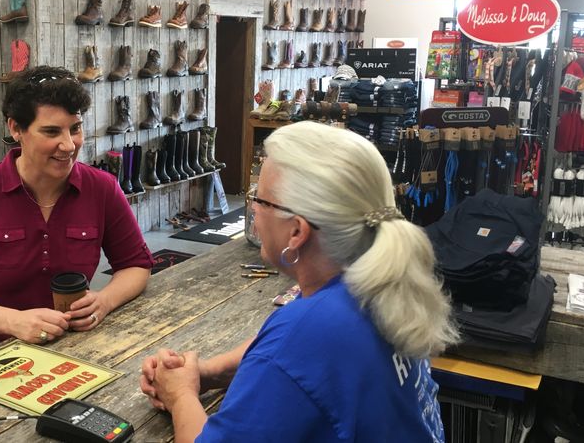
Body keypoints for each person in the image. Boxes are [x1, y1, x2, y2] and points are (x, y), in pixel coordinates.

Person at [140, 121, 459, 442]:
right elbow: (293, 361)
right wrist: (205, 373)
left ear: (297, 232)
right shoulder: (378, 280)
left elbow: (293, 355)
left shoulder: (309, 331)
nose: (252, 208)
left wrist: (180, 395)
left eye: (259, 200)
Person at [0, 66, 153, 360]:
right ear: (16, 129)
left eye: (75, 128)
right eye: (51, 131)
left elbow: (136, 264)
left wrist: (104, 301)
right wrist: (14, 322)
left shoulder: (101, 188)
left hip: (76, 352)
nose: (68, 145)